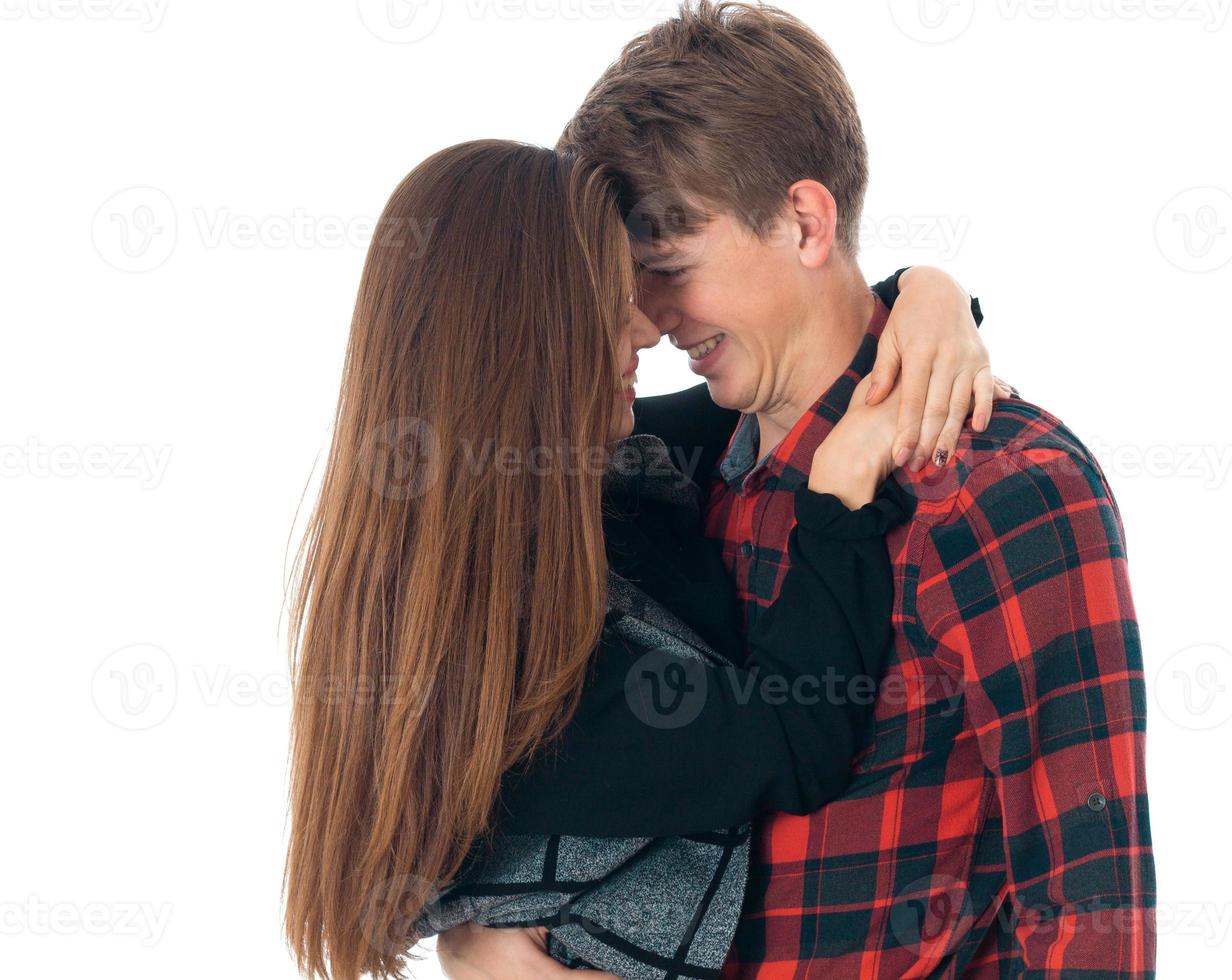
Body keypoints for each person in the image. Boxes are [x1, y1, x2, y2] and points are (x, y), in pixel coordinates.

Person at [441, 3, 1156, 977]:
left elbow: (1090, 910)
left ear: (806, 221)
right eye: (632, 278)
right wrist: (478, 943)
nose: (648, 320)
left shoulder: (1004, 489)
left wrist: (930, 293)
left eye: (672, 269)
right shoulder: (667, 476)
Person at [281, 140, 998, 980]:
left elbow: (798, 365)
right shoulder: (511, 681)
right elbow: (795, 736)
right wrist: (838, 490)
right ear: (525, 340)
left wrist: (930, 297)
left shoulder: (556, 480)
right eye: (609, 298)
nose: (649, 326)